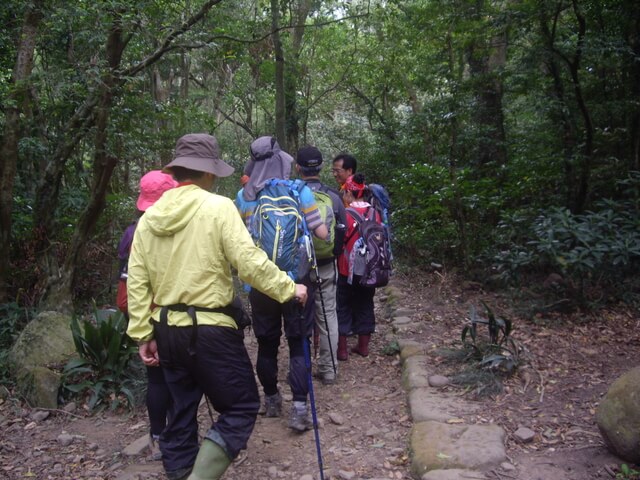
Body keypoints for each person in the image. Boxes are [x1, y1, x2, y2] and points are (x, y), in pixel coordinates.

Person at [126, 133, 308, 480]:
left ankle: (180, 473)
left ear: (177, 172)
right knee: (241, 407)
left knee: (180, 411)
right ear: (209, 173)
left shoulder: (149, 219)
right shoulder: (218, 207)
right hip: (212, 331)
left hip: (166, 330)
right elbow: (249, 262)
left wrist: (142, 332)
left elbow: (138, 282)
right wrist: (290, 288)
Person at [236, 136, 328, 432]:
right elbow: (323, 233)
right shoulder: (300, 190)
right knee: (298, 345)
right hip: (297, 284)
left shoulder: (245, 197)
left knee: (266, 345)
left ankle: (272, 400)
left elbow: (238, 240)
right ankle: (300, 409)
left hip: (262, 283)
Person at [116, 169, 177, 460]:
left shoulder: (132, 231)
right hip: (171, 312)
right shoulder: (178, 226)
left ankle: (158, 436)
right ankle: (178, 436)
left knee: (156, 378)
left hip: (140, 311)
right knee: (179, 374)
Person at [295, 145, 346, 385]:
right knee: (328, 318)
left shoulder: (292, 195)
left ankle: (300, 369)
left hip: (298, 268)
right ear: (322, 167)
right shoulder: (333, 197)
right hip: (325, 264)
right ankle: (328, 370)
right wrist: (334, 254)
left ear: (298, 168)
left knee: (299, 319)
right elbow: (342, 231)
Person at [336, 173, 381, 361]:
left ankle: (342, 350)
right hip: (369, 270)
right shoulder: (374, 213)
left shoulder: (346, 214)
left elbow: (339, 242)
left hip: (347, 269)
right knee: (365, 304)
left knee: (343, 305)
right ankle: (363, 347)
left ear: (348, 193)